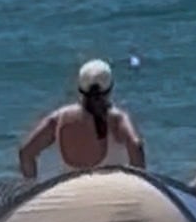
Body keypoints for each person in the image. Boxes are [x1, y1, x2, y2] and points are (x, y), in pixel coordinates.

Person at [18, 59, 146, 179]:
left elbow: (26, 152)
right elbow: (136, 145)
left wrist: (32, 186)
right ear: (110, 87)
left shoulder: (59, 118)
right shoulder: (117, 119)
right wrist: (138, 182)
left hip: (72, 194)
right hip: (110, 193)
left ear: (80, 88)